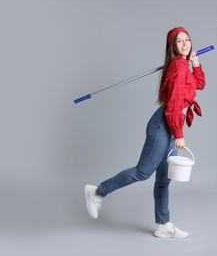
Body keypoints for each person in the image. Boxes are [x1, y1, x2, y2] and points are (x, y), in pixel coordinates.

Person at [84, 27, 206, 238]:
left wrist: (195, 63)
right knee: (142, 172)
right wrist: (178, 133)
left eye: (187, 40)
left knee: (163, 179)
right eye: (180, 41)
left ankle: (163, 223)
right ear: (172, 47)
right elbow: (174, 105)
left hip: (171, 124)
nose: (185, 44)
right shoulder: (178, 67)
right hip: (164, 124)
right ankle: (97, 191)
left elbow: (200, 84)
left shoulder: (184, 66)